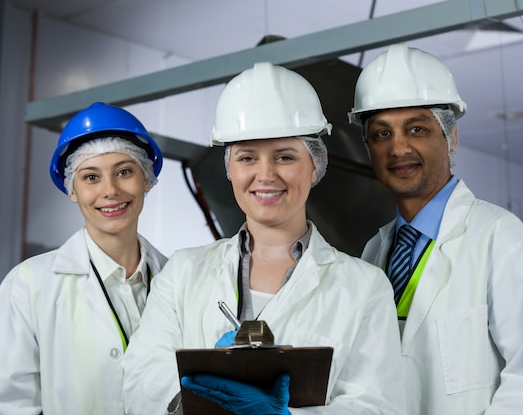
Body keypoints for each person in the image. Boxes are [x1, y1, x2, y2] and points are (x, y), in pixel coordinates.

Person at [122, 62, 406, 415]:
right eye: (247, 158)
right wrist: (202, 397)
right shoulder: (182, 272)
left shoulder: (364, 287)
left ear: (315, 165)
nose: (265, 175)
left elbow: (377, 405)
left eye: (285, 156)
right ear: (230, 168)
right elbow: (139, 378)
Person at [348, 42, 523, 414]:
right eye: (382, 134)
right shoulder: (374, 252)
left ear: (450, 137)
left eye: (416, 129)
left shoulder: (501, 239)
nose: (398, 148)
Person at [0, 102, 168, 415]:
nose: (110, 191)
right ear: (72, 189)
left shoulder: (177, 277)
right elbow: (7, 407)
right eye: (91, 177)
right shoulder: (29, 284)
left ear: (147, 179)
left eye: (124, 172)